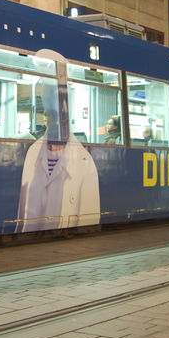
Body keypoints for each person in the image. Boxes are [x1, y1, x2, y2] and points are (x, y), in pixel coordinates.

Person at [17, 49, 100, 233]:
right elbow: (22, 219)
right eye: (47, 93)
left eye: (56, 94)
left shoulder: (85, 163)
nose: (53, 105)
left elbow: (88, 224)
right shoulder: (32, 154)